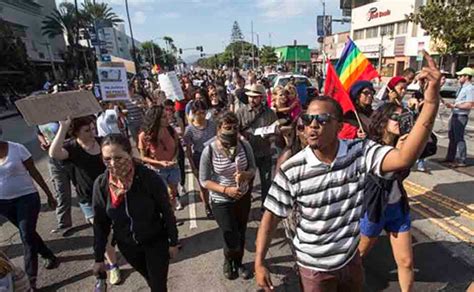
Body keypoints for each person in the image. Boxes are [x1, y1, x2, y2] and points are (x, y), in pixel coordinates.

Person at [255, 52, 441, 292]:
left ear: (340, 126)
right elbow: (270, 217)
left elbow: (404, 157)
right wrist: (260, 261)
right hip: (314, 267)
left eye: (322, 119)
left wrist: (432, 102)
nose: (313, 125)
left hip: (351, 260)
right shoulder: (292, 168)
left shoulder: (359, 151)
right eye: (309, 118)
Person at [92, 134, 179, 292]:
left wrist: (173, 241)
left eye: (118, 158)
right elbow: (100, 223)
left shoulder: (148, 178)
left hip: (155, 242)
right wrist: (98, 258)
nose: (113, 164)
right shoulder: (102, 185)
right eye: (107, 159)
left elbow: (166, 210)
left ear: (129, 154)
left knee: (159, 285)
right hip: (128, 247)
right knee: (151, 280)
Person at [48, 116, 121, 285]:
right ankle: (113, 265)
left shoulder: (102, 142)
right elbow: (53, 153)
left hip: (113, 193)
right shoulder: (71, 148)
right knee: (103, 233)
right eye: (87, 130)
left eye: (93, 127)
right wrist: (63, 126)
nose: (92, 132)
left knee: (120, 227)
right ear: (75, 133)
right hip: (89, 200)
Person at [359, 103, 414, 292]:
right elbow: (385, 175)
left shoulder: (403, 141)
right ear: (383, 121)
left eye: (403, 118)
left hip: (396, 208)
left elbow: (428, 144)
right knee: (358, 256)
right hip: (374, 209)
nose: (400, 123)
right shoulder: (371, 147)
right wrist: (399, 153)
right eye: (396, 118)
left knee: (406, 262)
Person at [0, 126, 59, 290]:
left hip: (27, 198)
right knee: (28, 233)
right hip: (3, 203)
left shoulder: (17, 149)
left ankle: (30, 280)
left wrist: (49, 195)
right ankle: (48, 254)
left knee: (26, 234)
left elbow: (34, 172)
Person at [200, 112, 256, 280]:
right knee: (230, 232)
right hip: (221, 200)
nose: (232, 131)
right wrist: (225, 190)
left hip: (242, 197)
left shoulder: (245, 146)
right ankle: (228, 259)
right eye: (227, 127)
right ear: (218, 129)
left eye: (234, 127)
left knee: (241, 231)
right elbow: (204, 181)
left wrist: (246, 175)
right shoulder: (209, 150)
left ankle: (238, 263)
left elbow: (253, 169)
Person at [236, 84, 277, 211]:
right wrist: (241, 137)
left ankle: (265, 206)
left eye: (255, 97)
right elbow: (235, 130)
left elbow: (275, 131)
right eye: (250, 97)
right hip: (248, 154)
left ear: (261, 98)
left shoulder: (270, 113)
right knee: (248, 182)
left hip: (265, 152)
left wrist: (271, 138)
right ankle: (245, 205)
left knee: (266, 181)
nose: (251, 100)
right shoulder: (241, 112)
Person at [138, 106, 182, 211]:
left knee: (173, 193)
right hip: (157, 171)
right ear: (155, 119)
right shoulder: (144, 136)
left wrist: (175, 157)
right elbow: (143, 157)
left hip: (173, 167)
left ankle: (171, 213)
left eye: (167, 116)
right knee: (164, 195)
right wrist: (160, 162)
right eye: (163, 117)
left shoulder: (171, 130)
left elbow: (177, 146)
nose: (167, 119)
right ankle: (168, 216)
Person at [37, 122, 74, 234]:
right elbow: (39, 133)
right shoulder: (38, 117)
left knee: (82, 187)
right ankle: (64, 223)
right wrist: (44, 143)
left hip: (71, 155)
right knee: (61, 192)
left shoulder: (61, 113)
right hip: (54, 161)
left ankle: (93, 215)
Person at [183, 100, 216, 218]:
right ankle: (207, 206)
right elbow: (188, 150)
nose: (201, 115)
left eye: (203, 112)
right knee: (204, 185)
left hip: (214, 156)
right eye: (199, 113)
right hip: (200, 158)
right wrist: (192, 166)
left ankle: (217, 203)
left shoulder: (212, 124)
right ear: (193, 113)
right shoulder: (189, 130)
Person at [443, 67, 474, 167]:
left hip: (461, 115)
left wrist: (455, 106)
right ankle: (449, 158)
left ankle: (462, 159)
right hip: (455, 114)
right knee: (452, 136)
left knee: (459, 138)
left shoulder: (470, 89)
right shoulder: (462, 87)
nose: (458, 78)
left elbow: (469, 105)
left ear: (466, 77)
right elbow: (460, 101)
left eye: (460, 76)